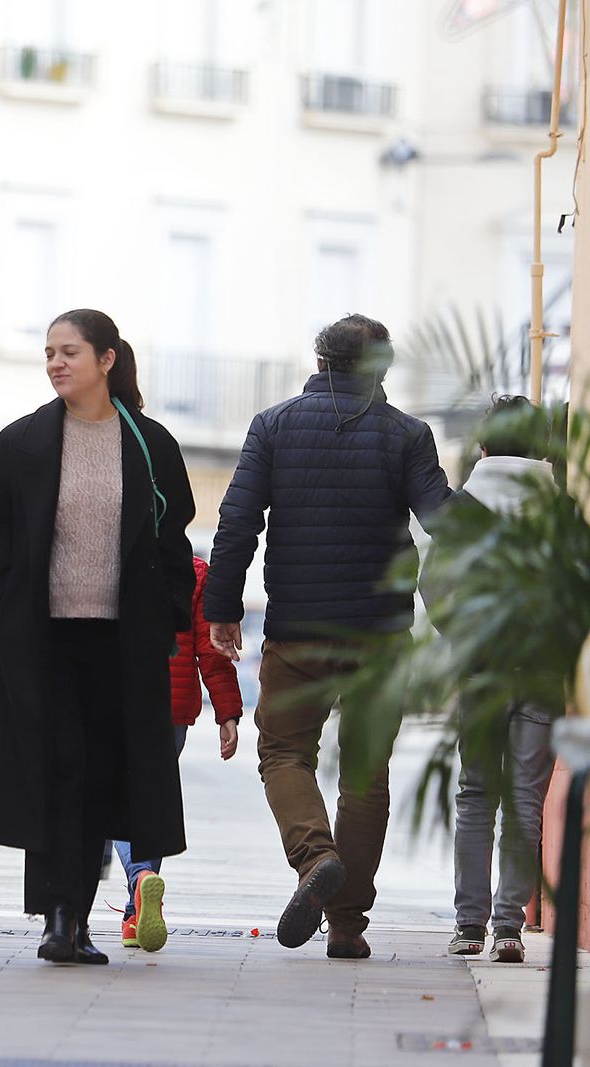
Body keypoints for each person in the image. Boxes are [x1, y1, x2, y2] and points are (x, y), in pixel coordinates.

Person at [204, 313, 450, 960]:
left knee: (284, 753)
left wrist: (221, 605)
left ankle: (315, 855)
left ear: (320, 361)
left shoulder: (275, 425)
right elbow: (442, 519)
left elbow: (236, 522)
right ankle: (346, 926)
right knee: (365, 776)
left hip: (299, 632)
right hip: (380, 637)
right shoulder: (408, 435)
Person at [0, 313, 195, 967]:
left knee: (100, 775)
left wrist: (169, 617)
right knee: (53, 769)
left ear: (107, 358)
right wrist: (2, 606)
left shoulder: (149, 443)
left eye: (69, 352)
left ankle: (81, 917)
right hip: (43, 636)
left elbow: (172, 537)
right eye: (48, 353)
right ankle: (57, 914)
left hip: (122, 640)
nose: (55, 363)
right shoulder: (24, 442)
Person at [428, 396, 554, 965]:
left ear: (482, 447)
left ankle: (469, 926)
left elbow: (435, 587)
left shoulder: (463, 510)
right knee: (525, 800)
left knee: (476, 794)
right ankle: (509, 929)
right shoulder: (562, 511)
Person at [110, 555, 242, 952]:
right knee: (154, 801)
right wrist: (228, 713)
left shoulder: (111, 560)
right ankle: (136, 915)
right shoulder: (194, 571)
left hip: (119, 700)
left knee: (118, 800)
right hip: (173, 710)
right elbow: (212, 648)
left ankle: (140, 880)